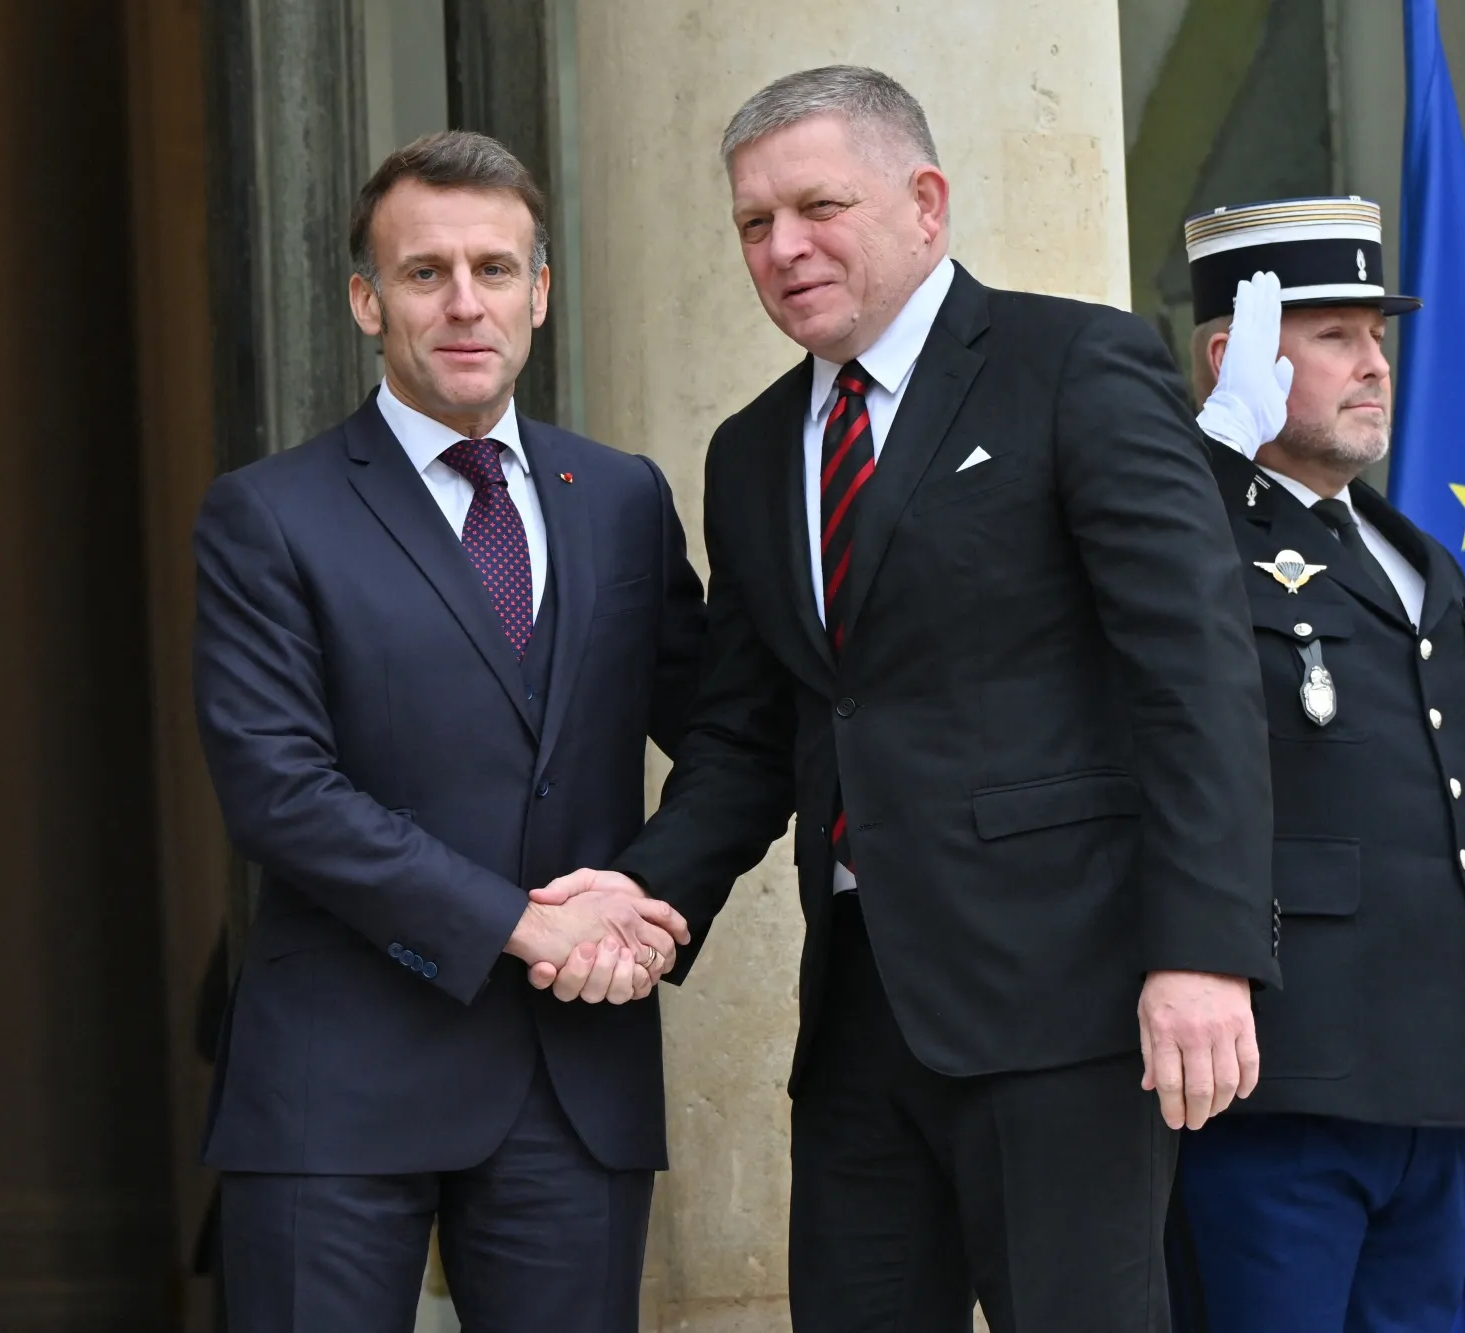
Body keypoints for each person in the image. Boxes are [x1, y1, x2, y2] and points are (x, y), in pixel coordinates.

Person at [534, 65, 1276, 1332]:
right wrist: (650, 891)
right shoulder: (754, 447)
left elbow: (1195, 671)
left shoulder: (1074, 364)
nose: (784, 247)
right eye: (753, 225)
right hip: (860, 1020)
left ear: (925, 203)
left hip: (1065, 1001)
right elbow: (748, 732)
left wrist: (1203, 949)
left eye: (819, 206)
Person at [191, 130, 704, 1332]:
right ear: (369, 302)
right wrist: (525, 925)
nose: (464, 302)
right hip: (339, 1083)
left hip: (575, 1080)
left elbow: (726, 726)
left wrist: (651, 902)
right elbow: (279, 790)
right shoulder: (268, 513)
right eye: (425, 273)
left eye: (493, 267)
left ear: (540, 290)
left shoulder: (621, 496)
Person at [1164, 197, 1465, 1332]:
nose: (1372, 365)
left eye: (1376, 336)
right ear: (1232, 357)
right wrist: (1205, 471)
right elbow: (1136, 637)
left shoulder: (1415, 555)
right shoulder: (1192, 528)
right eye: (1332, 336)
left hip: (1433, 1072)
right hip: (1282, 1076)